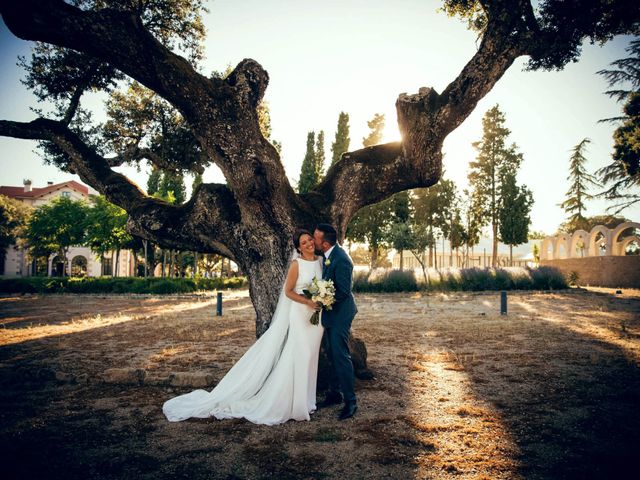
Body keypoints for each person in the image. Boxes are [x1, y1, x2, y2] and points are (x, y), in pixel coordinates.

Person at [162, 229, 324, 425]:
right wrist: (307, 301)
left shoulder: (320, 261)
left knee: (311, 357)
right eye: (304, 242)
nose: (309, 244)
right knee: (299, 356)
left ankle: (307, 402)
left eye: (310, 240)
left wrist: (323, 298)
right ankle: (293, 404)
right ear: (298, 247)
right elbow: (288, 292)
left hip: (317, 316)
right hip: (300, 314)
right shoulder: (296, 265)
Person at [313, 223, 358, 420]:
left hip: (341, 314)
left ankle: (351, 401)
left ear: (323, 243)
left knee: (341, 355)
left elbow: (343, 292)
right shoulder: (328, 256)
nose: (312, 240)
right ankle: (335, 393)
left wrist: (320, 299)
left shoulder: (342, 259)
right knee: (330, 353)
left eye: (315, 238)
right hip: (331, 313)